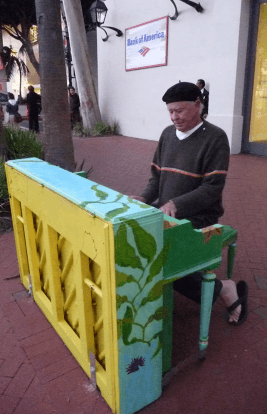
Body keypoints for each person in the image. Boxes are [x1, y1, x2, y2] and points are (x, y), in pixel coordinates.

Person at [131, 82, 248, 325]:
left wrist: (177, 203)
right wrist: (143, 197)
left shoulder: (215, 138)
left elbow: (212, 188)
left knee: (163, 256)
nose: (174, 117)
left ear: (198, 105)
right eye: (170, 112)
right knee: (132, 237)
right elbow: (157, 177)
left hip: (200, 216)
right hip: (167, 211)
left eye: (180, 111)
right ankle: (150, 295)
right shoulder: (166, 134)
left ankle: (223, 289)